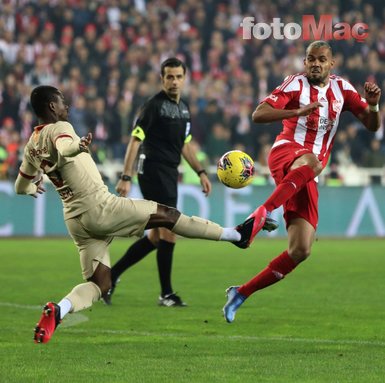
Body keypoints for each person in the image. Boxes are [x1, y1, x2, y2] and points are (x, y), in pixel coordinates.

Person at [14, 85, 262, 343]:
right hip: (100, 207)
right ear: (52, 107)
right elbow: (65, 147)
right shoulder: (61, 129)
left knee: (100, 284)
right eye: (62, 102)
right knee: (167, 215)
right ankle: (236, 235)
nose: (67, 106)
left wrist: (33, 185)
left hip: (76, 220)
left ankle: (59, 310)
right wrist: (78, 146)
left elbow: (21, 186)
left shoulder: (31, 145)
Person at [223, 40, 381, 323]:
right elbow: (259, 114)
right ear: (305, 62)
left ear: (331, 64)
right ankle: (266, 211)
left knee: (301, 249)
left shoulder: (342, 89)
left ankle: (241, 293)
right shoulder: (294, 85)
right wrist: (295, 112)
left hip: (306, 173)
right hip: (286, 152)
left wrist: (373, 106)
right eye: (311, 59)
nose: (315, 64)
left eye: (321, 59)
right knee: (314, 161)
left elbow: (371, 126)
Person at [105, 58, 212, 307]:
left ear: (185, 79)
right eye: (169, 77)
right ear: (162, 79)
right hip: (152, 170)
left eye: (178, 77)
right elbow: (135, 139)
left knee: (156, 237)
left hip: (168, 173)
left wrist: (201, 171)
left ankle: (110, 276)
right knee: (170, 230)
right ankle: (166, 294)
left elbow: (185, 145)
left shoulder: (184, 109)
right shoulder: (153, 106)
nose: (174, 81)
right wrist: (126, 176)